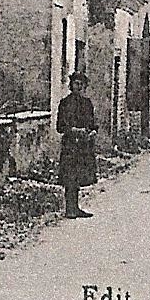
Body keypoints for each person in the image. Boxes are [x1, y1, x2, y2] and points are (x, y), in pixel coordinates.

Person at [57, 72, 98, 218]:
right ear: (71, 85)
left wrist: (93, 132)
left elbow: (92, 123)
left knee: (80, 176)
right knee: (70, 176)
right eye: (76, 83)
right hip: (70, 145)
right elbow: (60, 126)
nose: (79, 87)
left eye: (81, 84)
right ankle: (70, 209)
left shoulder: (87, 103)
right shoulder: (65, 103)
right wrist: (73, 130)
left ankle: (76, 207)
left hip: (84, 145)